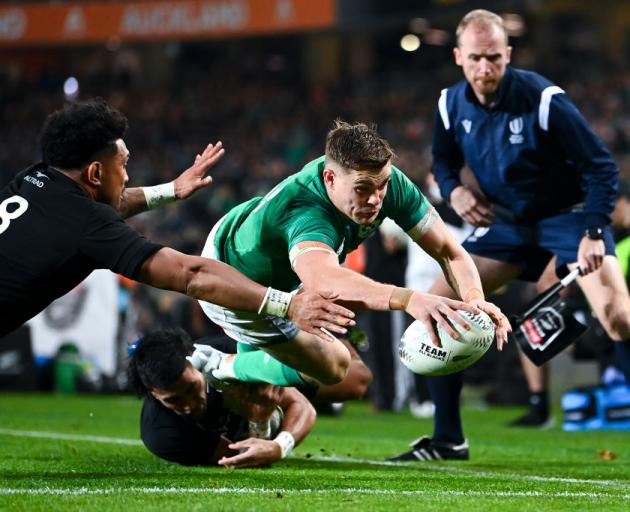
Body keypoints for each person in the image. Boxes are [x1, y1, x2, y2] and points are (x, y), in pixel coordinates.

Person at [390, 9, 630, 461]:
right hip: (510, 226)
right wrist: (456, 190)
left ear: (508, 55)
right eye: (477, 58)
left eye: (495, 58)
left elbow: (600, 166)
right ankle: (448, 440)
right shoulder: (449, 105)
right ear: (459, 57)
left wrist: (595, 230)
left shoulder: (542, 98)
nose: (486, 68)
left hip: (569, 217)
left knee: (619, 316)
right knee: (438, 307)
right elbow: (441, 162)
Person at [189, 119, 510, 396]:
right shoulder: (305, 212)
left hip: (275, 262)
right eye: (363, 189)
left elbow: (449, 252)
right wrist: (408, 299)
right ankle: (218, 364)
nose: (375, 199)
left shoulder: (387, 182)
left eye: (381, 185)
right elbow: (323, 279)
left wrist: (475, 298)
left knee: (313, 385)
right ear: (330, 179)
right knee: (334, 367)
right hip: (236, 282)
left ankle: (248, 380)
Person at [0, 99, 355, 341]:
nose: (126, 176)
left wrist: (171, 189)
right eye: (122, 165)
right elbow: (190, 274)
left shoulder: (36, 178)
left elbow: (110, 203)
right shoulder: (87, 223)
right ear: (95, 172)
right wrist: (288, 304)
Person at [128, 328, 372, 468]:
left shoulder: (227, 354)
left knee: (357, 382)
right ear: (153, 393)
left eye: (192, 388)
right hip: (259, 415)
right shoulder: (162, 433)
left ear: (195, 362)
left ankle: (329, 331)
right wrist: (260, 423)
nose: (189, 404)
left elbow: (301, 406)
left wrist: (281, 444)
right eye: (173, 401)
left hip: (273, 379)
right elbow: (248, 457)